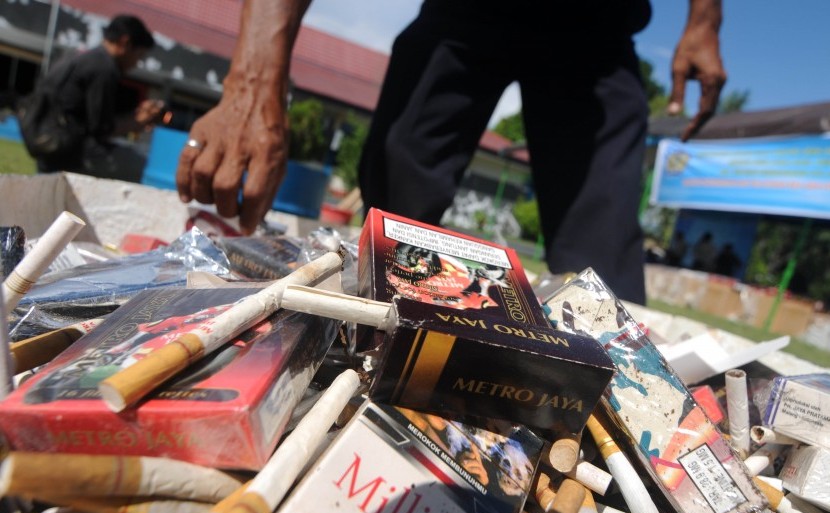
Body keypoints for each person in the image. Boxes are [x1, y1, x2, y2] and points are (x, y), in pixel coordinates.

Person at [175, 0, 726, 304]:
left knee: (601, 272)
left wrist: (705, 17)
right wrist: (252, 81)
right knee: (391, 221)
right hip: (464, 11)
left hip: (596, 31)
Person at [25, 14, 164, 174]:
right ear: (125, 42)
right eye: (139, 56)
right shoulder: (104, 68)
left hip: (45, 141)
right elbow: (101, 129)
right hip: (64, 149)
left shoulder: (78, 56)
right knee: (135, 162)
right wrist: (138, 120)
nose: (136, 63)